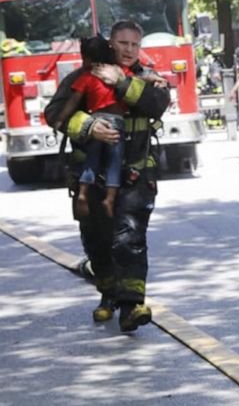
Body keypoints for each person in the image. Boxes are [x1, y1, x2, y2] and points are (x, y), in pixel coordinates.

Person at [45, 20, 170, 332]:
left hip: (136, 174)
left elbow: (157, 105)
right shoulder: (84, 76)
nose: (128, 50)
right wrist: (88, 127)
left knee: (129, 238)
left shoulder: (147, 79)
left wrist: (121, 84)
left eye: (134, 45)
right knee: (98, 241)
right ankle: (108, 295)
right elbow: (54, 114)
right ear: (111, 43)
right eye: (122, 44)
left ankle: (131, 306)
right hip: (91, 176)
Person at [52, 36, 128, 218]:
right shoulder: (120, 72)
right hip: (116, 124)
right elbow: (140, 83)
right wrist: (154, 78)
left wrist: (60, 121)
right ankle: (110, 199)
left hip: (96, 121)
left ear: (86, 57)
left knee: (91, 160)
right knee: (114, 163)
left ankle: (83, 193)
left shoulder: (85, 77)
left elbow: (71, 103)